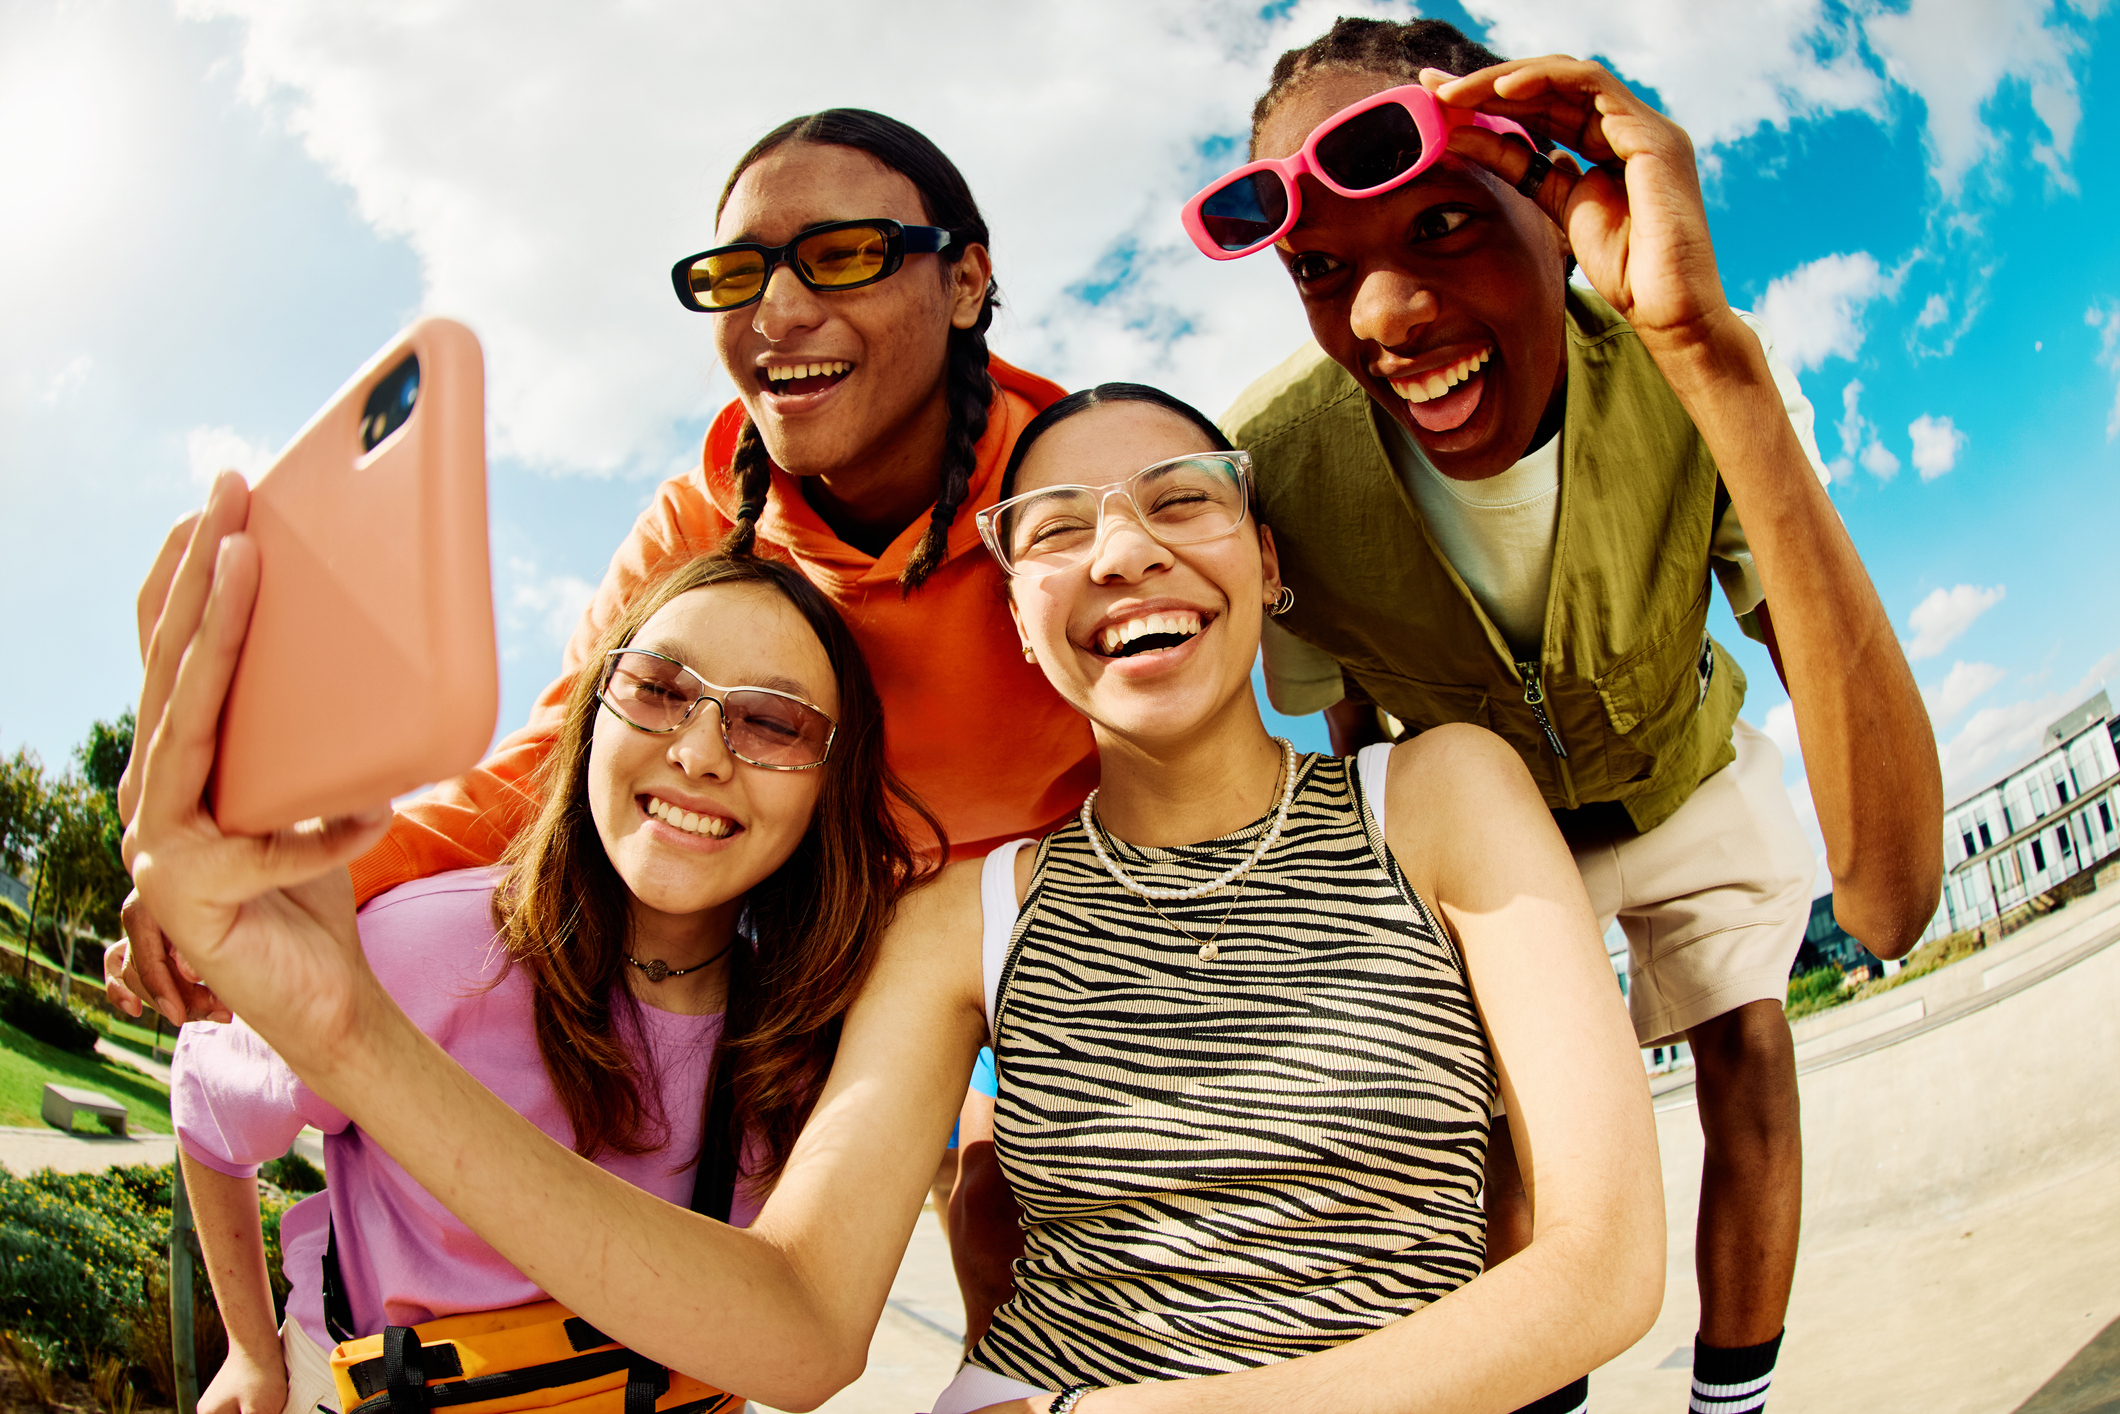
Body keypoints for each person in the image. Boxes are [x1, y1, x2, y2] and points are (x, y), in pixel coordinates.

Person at [132, 383, 1663, 1414]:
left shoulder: (1437, 793)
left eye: (1179, 502)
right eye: (1055, 529)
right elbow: (798, 1318)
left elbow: (1601, 1264)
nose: (1122, 550)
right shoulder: (961, 919)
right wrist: (346, 1034)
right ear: (1018, 613)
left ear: (1266, 558)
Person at [1184, 18, 1945, 1413]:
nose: (1387, 318)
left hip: (1682, 768)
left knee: (1745, 1032)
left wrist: (1713, 362)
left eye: (1448, 222)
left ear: (1554, 196)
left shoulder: (1681, 362)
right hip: (1493, 825)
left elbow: (1889, 904)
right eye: (1324, 270)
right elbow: (1348, 726)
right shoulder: (1276, 461)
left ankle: (1733, 1400)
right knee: (1507, 1139)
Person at [166, 541, 932, 1414]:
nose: (700, 752)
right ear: (591, 714)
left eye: (773, 723)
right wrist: (249, 1352)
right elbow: (211, 1110)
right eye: (659, 689)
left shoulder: (817, 1046)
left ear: (832, 786)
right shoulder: (411, 950)